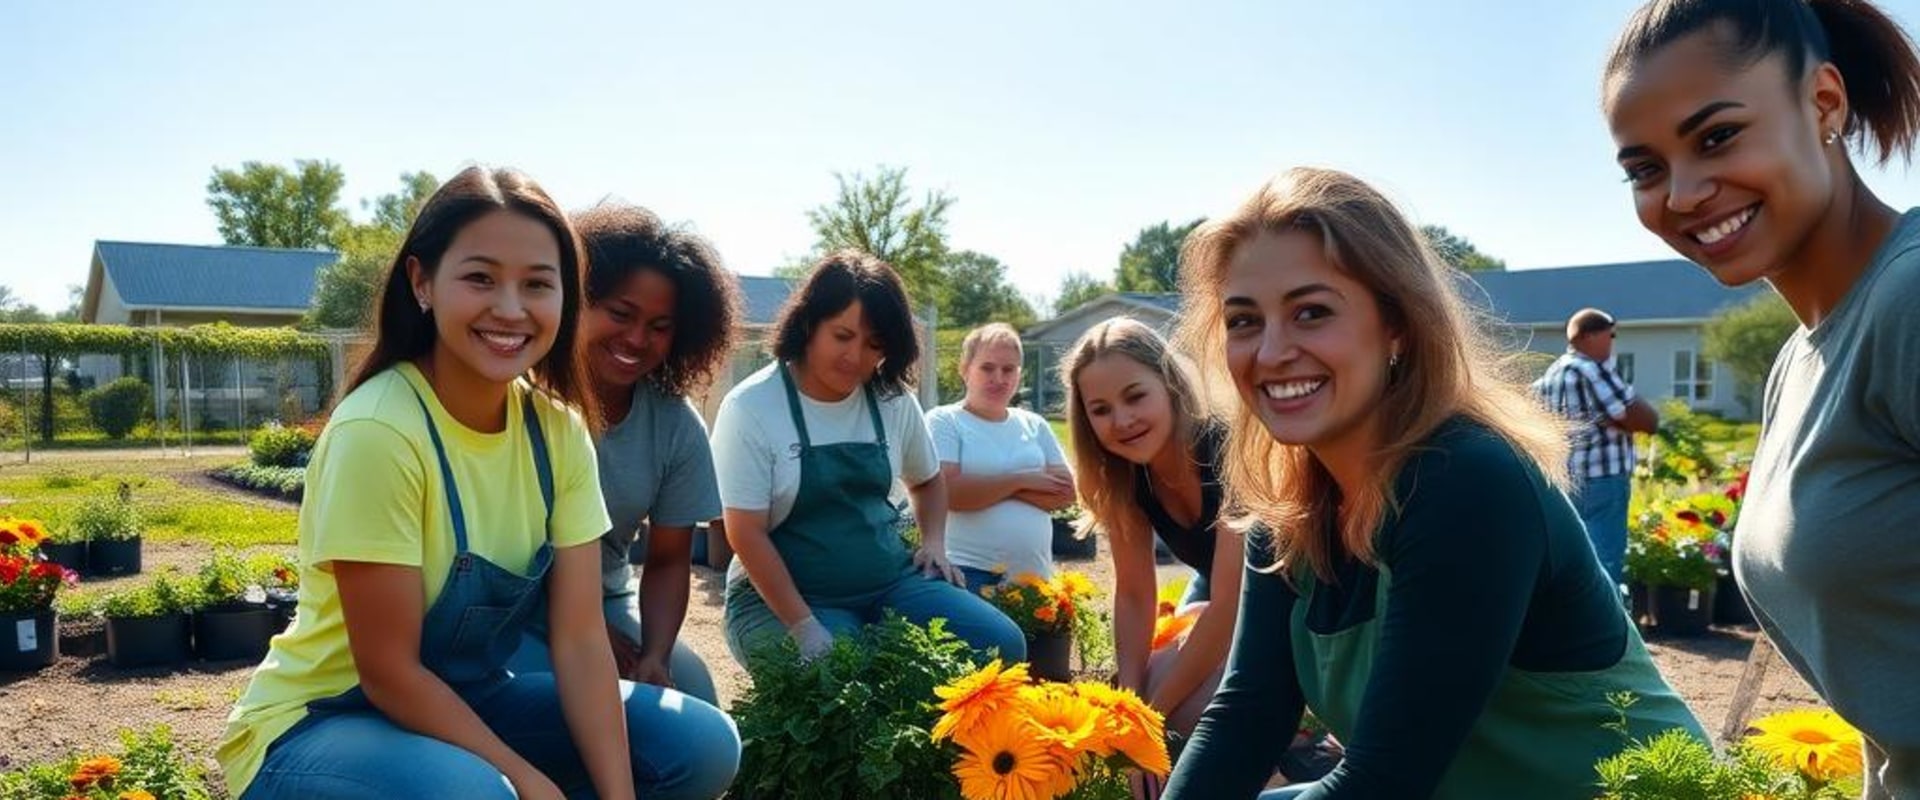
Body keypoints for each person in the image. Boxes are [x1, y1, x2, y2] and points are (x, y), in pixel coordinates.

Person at [1161, 167, 1705, 800]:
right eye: (1244, 321)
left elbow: (1384, 784)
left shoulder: (1465, 480)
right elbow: (1247, 713)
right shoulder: (1284, 505)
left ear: (1397, 325)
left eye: (1311, 312)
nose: (1271, 350)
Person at [216, 167, 737, 800]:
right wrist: (529, 782)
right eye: (481, 278)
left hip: (474, 698)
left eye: (538, 284)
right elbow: (389, 675)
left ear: (565, 297)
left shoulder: (558, 431)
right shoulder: (381, 431)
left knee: (702, 746)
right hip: (325, 720)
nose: (511, 309)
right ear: (422, 282)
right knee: (482, 792)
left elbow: (578, 643)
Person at [1604, 0, 1920, 793]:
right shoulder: (1797, 364)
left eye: (1717, 137)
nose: (1680, 194)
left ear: (1824, 103)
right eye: (1644, 168)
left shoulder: (1910, 302)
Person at [712, 250, 1027, 667]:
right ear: (809, 323)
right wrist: (803, 626)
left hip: (889, 583)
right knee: (846, 680)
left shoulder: (892, 399)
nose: (855, 357)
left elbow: (929, 481)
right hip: (782, 599)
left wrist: (934, 543)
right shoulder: (752, 406)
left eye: (874, 344)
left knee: (1001, 642)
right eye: (842, 336)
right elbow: (745, 533)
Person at [505, 201, 741, 714]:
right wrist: (586, 632)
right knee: (555, 705)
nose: (637, 339)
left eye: (660, 325)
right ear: (574, 302)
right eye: (620, 314)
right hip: (505, 608)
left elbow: (669, 557)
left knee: (694, 695)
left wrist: (654, 654)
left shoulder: (674, 424)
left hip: (610, 596)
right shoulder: (513, 398)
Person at [1061, 318, 1238, 743]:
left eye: (1135, 396)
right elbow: (1136, 594)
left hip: (1293, 605)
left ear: (1170, 385)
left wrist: (1149, 717)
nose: (1121, 420)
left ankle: (1300, 752)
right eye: (1100, 409)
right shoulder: (1127, 479)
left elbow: (1233, 608)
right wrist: (1130, 700)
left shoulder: (1230, 450)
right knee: (1148, 679)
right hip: (1218, 595)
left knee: (1189, 714)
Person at [925, 323, 1075, 594]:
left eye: (1009, 369)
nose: (999, 378)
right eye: (987, 367)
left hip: (1036, 580)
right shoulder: (945, 421)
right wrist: (1023, 480)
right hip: (968, 576)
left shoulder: (1034, 424)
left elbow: (1066, 492)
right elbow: (948, 492)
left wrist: (987, 488)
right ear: (965, 369)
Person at [1531, 307, 1659, 590]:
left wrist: (1615, 420)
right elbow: (1647, 421)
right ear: (1589, 336)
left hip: (1565, 479)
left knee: (1572, 562)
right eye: (1610, 335)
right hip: (1603, 480)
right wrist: (1619, 422)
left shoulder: (1552, 375)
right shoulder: (1591, 369)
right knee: (1605, 563)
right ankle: (1608, 631)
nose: (1612, 343)